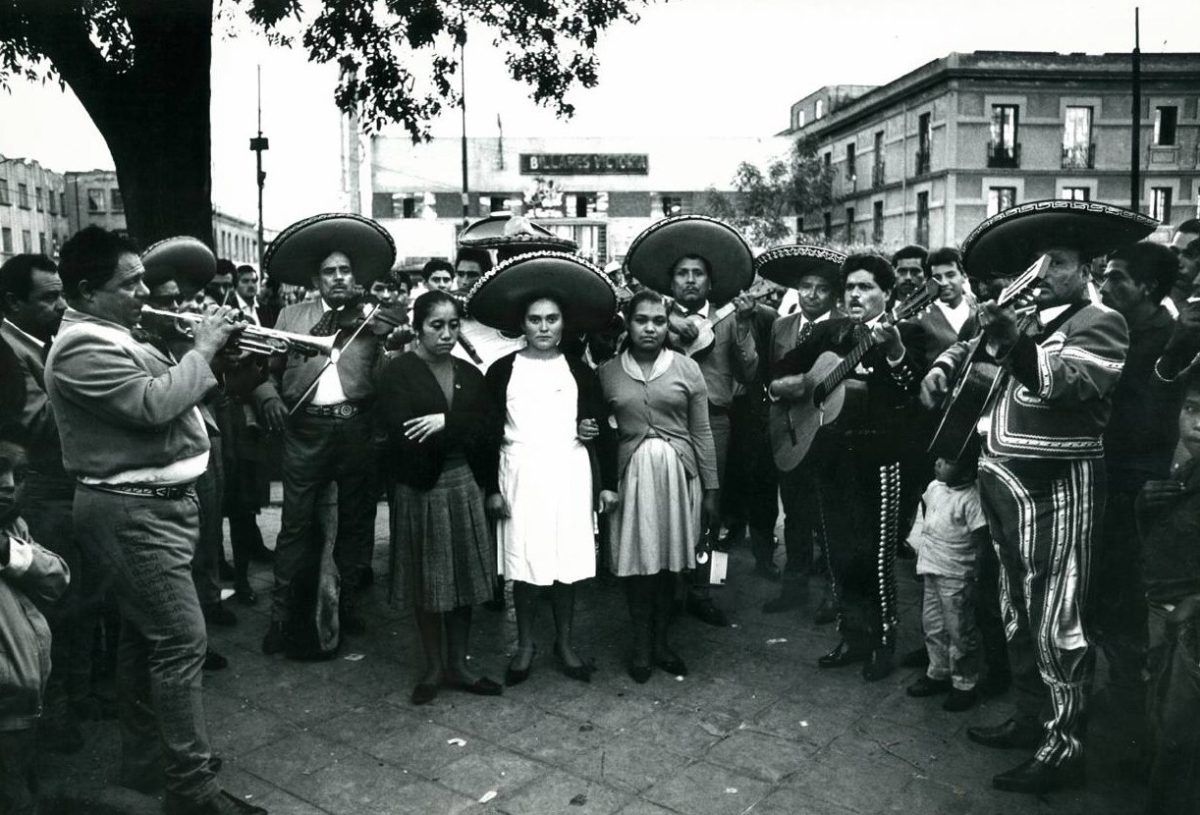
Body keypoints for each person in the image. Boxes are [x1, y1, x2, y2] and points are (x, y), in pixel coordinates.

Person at [921, 199, 1155, 794]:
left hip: (1057, 488)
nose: (1044, 272)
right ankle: (1031, 719)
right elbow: (970, 349)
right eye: (1039, 262)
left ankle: (1064, 747)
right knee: (1015, 611)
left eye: (1059, 262)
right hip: (1002, 486)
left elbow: (1069, 384)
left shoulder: (1100, 321)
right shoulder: (1026, 316)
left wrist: (1011, 342)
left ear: (1086, 270)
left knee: (1058, 620)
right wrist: (944, 364)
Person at [44, 225, 264, 814]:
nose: (145, 293)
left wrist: (208, 352)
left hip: (156, 508)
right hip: (132, 513)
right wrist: (204, 349)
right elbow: (152, 404)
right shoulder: (81, 347)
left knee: (146, 643)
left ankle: (145, 768)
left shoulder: (117, 332)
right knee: (182, 643)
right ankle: (192, 790)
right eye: (130, 284)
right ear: (86, 291)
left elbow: (169, 390)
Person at [769, 254, 927, 682]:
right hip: (829, 458)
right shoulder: (830, 331)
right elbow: (781, 371)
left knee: (875, 557)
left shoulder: (910, 331)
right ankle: (853, 635)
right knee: (839, 554)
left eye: (866, 287)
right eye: (851, 288)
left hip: (880, 460)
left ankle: (882, 641)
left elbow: (912, 389)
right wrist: (789, 385)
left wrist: (894, 350)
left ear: (888, 294)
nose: (856, 295)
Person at [255, 213, 396, 658]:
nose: (338, 278)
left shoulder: (372, 318)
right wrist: (268, 398)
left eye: (345, 271)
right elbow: (266, 372)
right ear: (316, 280)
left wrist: (389, 339)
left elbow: (387, 375)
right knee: (295, 524)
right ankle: (281, 616)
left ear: (356, 278)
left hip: (356, 427)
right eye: (330, 272)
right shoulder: (291, 315)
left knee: (356, 520)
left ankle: (347, 604)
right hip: (305, 429)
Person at [475, 253, 618, 686]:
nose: (543, 328)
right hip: (520, 475)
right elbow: (486, 435)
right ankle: (525, 645)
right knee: (525, 564)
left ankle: (565, 643)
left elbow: (600, 427)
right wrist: (491, 488)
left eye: (551, 319)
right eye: (535, 319)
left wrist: (603, 472)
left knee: (565, 562)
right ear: (522, 324)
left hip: (568, 474)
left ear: (563, 324)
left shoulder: (579, 371)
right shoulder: (502, 370)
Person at [624, 215, 757, 628]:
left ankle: (703, 589)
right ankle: (667, 586)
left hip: (713, 423)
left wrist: (744, 327)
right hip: (662, 423)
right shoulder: (656, 315)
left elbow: (749, 371)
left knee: (710, 508)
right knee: (667, 504)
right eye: (682, 273)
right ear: (672, 281)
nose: (690, 280)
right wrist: (665, 324)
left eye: (698, 273)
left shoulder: (730, 317)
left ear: (710, 281)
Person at [377, 291, 503, 705]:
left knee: (463, 578)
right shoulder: (398, 372)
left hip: (463, 482)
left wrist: (447, 422)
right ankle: (433, 667)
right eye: (436, 326)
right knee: (427, 580)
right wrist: (461, 427)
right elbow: (403, 431)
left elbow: (488, 426)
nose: (447, 334)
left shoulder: (468, 372)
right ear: (417, 328)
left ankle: (459, 664)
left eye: (453, 325)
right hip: (420, 487)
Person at [0, 253, 101, 751]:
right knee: (56, 603)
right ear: (13, 302)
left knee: (81, 598)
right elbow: (40, 425)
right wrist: (90, 381)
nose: (62, 306)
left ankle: (79, 695)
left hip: (67, 486)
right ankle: (56, 711)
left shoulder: (41, 343)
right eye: (48, 298)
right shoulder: (8, 350)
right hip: (43, 492)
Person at [1089, 241, 1182, 758]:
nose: (1104, 287)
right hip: (1112, 480)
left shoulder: (1167, 341)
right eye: (1104, 276)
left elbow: (1161, 424)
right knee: (1107, 594)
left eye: (1117, 278)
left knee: (1125, 601)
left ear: (1147, 287)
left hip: (1140, 491)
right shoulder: (1119, 329)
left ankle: (1133, 725)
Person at [598, 289, 719, 682]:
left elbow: (701, 431)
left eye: (658, 321)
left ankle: (662, 642)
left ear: (668, 326)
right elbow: (600, 432)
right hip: (631, 480)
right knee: (636, 565)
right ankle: (640, 644)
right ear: (628, 323)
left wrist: (712, 487)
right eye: (641, 320)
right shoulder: (608, 372)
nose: (649, 328)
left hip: (677, 478)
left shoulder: (687, 368)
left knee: (669, 565)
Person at [755, 245, 845, 619]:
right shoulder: (781, 326)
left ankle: (833, 592)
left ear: (833, 294)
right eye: (806, 286)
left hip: (828, 432)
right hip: (790, 428)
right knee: (794, 513)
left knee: (828, 516)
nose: (812, 294)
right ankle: (794, 587)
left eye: (821, 288)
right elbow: (768, 375)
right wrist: (776, 390)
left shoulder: (845, 326)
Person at [1140, 369, 1200, 814]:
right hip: (1164, 607)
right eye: (1191, 409)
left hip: (1188, 620)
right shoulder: (1188, 465)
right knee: (1161, 710)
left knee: (1180, 732)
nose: (1197, 423)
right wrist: (1146, 505)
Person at [0, 440, 70, 815]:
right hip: (6, 701)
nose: (9, 485)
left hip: (26, 697)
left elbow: (57, 577)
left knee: (24, 784)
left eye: (19, 475)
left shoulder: (13, 527)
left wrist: (9, 552)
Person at [904, 449, 989, 711]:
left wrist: (977, 577)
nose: (938, 463)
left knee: (959, 631)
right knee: (932, 624)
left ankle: (964, 684)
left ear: (967, 472)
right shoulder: (934, 487)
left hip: (956, 575)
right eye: (939, 458)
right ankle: (938, 672)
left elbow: (981, 542)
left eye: (948, 461)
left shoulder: (972, 499)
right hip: (931, 568)